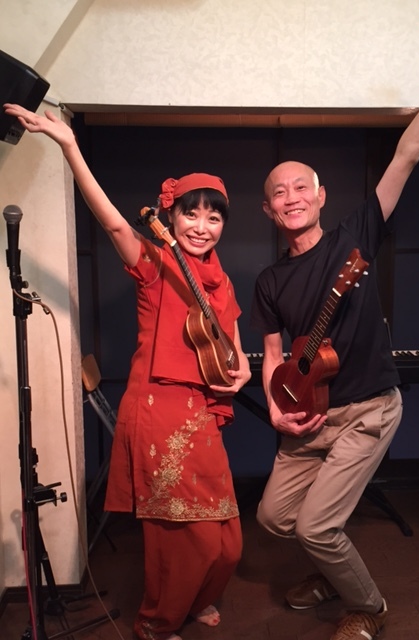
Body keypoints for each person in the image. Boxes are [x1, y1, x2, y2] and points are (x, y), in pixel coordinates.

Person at [250, 1, 419, 639]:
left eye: (302, 187)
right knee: (274, 520)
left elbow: (409, 151)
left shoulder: (354, 237)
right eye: (279, 193)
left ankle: (369, 607)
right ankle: (330, 569)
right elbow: (274, 352)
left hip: (367, 411)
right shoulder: (268, 280)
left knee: (317, 525)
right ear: (269, 211)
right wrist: (275, 409)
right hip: (305, 415)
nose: (291, 197)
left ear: (321, 196)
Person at [3, 103, 252, 640]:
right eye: (191, 214)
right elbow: (113, 220)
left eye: (213, 217)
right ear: (172, 216)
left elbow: (232, 339)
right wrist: (69, 145)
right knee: (178, 535)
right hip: (159, 410)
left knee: (227, 540)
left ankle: (195, 599)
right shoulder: (154, 264)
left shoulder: (222, 280)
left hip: (203, 411)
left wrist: (244, 371)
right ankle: (155, 622)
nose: (202, 226)